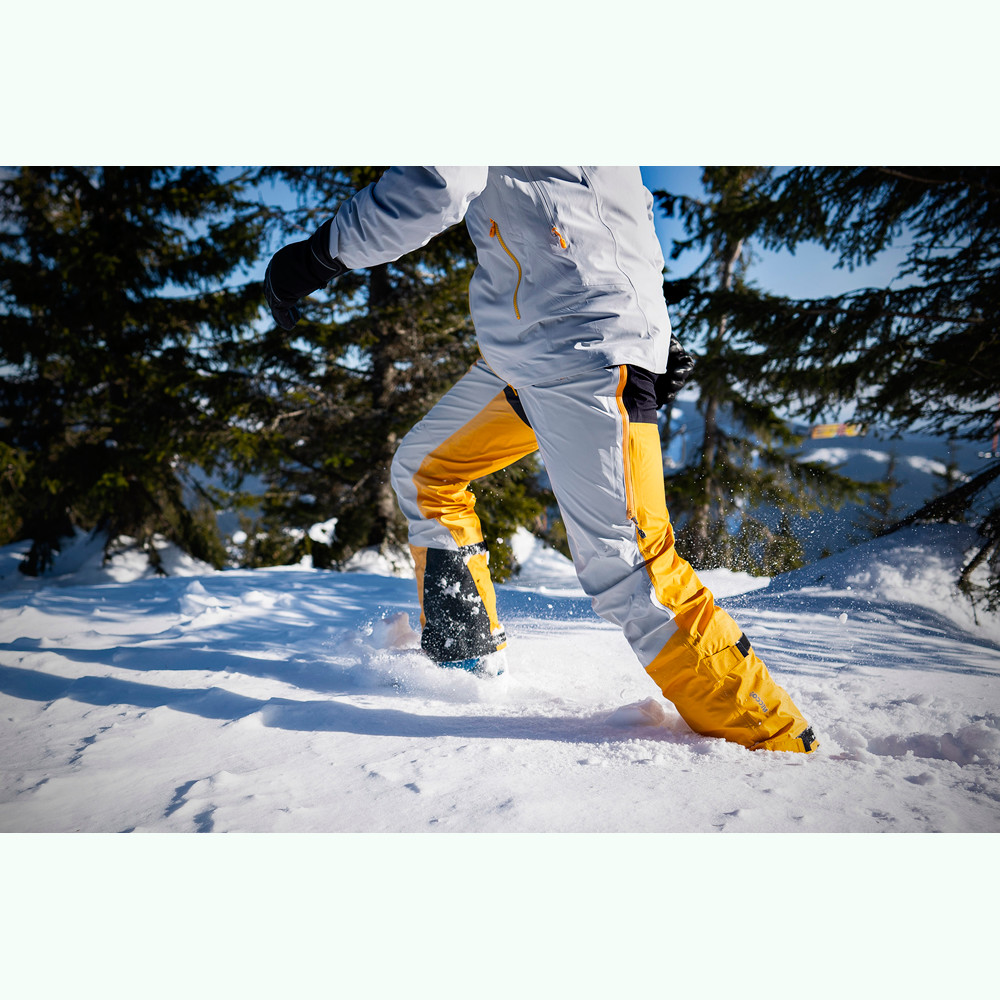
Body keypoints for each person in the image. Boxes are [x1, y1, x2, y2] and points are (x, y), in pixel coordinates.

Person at [264, 166, 817, 754]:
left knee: (631, 569)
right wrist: (645, 319)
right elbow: (614, 204)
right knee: (427, 473)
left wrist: (317, 256)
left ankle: (773, 741)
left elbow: (439, 182)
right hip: (534, 348)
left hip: (578, 346)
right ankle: (466, 670)